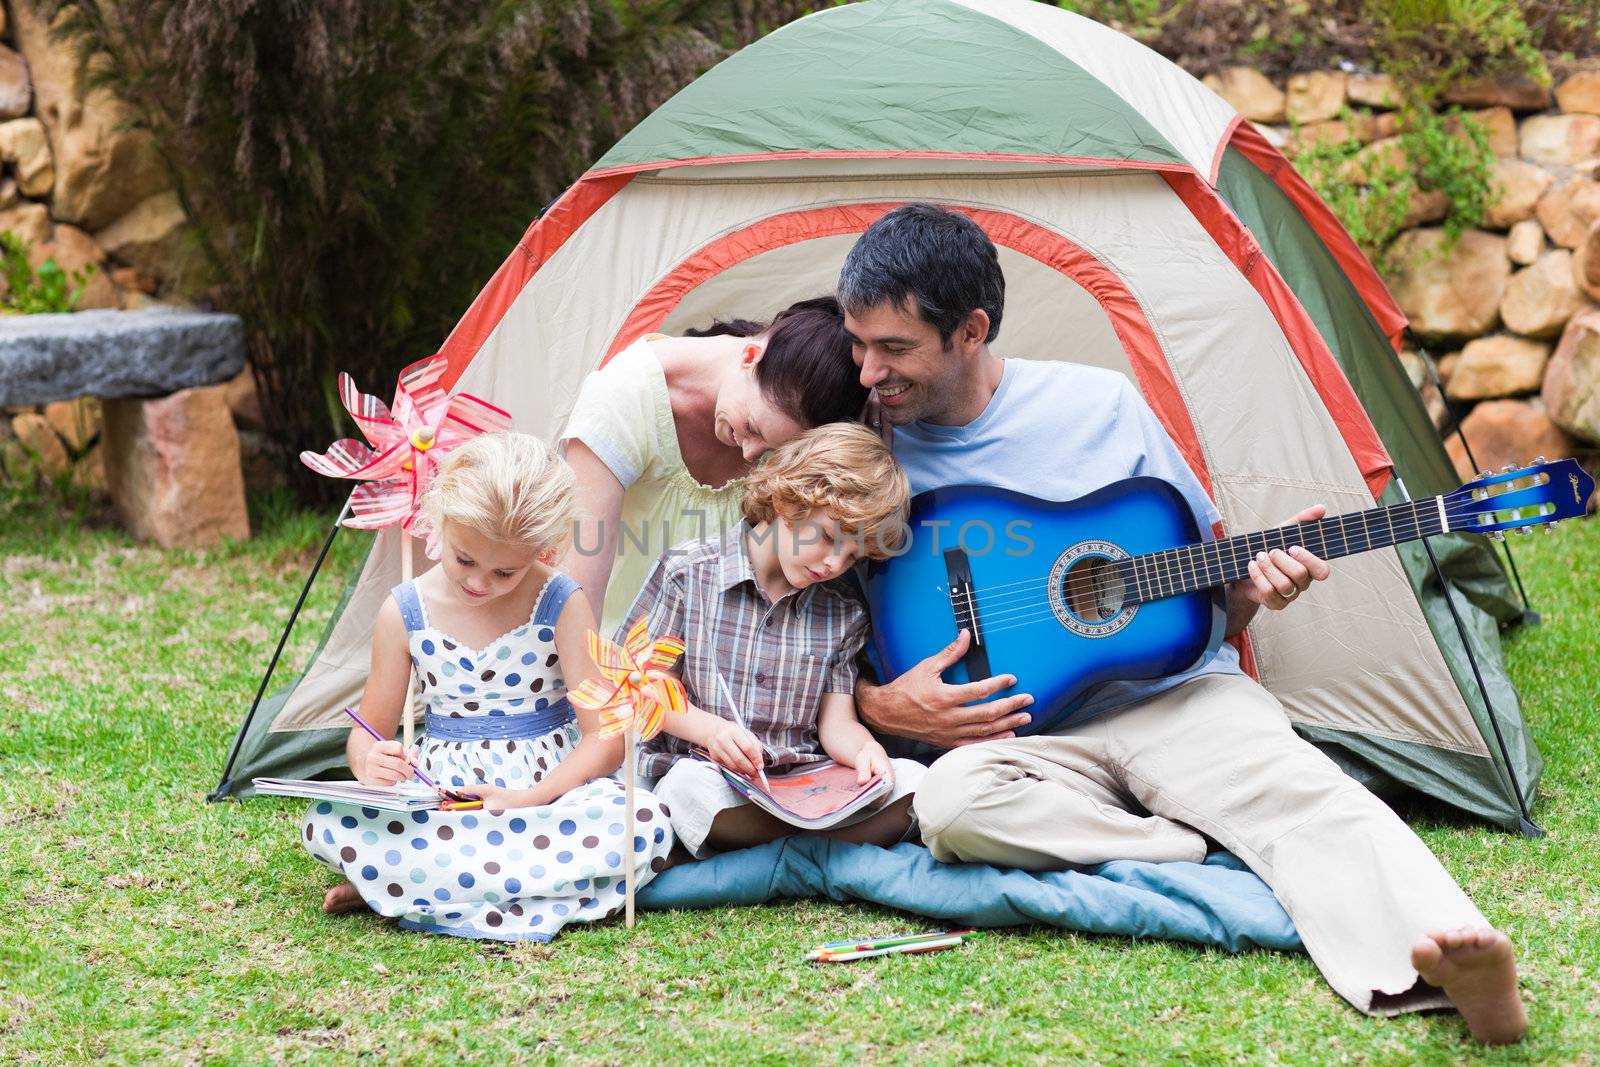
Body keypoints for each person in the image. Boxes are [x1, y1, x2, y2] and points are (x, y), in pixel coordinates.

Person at [840, 204, 1528, 1044]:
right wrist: (882, 709)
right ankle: (1182, 838)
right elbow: (797, 625)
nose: (870, 371)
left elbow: (1206, 590)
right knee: (950, 806)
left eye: (895, 349)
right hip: (1019, 738)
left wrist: (1255, 591)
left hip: (1176, 697)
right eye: (859, 343)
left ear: (973, 330)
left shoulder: (1100, 407)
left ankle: (1451, 959)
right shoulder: (857, 450)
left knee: (1306, 791)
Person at [302, 432, 673, 941]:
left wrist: (532, 798)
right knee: (329, 820)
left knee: (641, 820)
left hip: (548, 795)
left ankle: (405, 888)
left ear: (543, 548)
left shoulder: (561, 601)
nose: (478, 582)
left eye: (505, 571)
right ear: (440, 523)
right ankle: (441, 884)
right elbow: (368, 730)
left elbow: (605, 738)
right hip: (444, 799)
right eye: (465, 560)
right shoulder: (406, 610)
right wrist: (369, 761)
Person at [622, 422, 924, 858]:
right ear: (786, 501)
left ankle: (776, 849)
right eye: (827, 538)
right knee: (687, 791)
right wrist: (710, 730)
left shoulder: (843, 611)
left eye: (854, 555)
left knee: (913, 780)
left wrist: (866, 752)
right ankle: (817, 850)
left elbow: (836, 723)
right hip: (710, 773)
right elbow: (642, 684)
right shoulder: (688, 573)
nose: (835, 563)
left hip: (801, 780)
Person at [560, 296, 870, 636]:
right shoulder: (624, 397)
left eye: (772, 450)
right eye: (752, 429)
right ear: (750, 357)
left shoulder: (782, 418)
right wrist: (593, 685)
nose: (752, 455)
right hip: (610, 651)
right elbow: (577, 590)